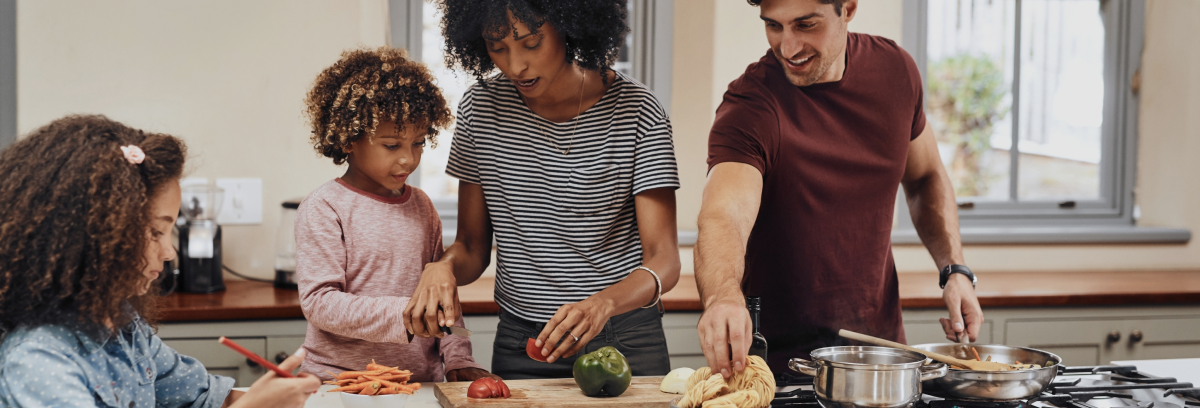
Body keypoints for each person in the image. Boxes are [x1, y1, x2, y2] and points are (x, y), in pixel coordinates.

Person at [694, 0, 984, 377]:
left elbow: (925, 176)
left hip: (882, 358)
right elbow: (724, 215)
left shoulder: (896, 71)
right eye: (774, 26)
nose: (788, 47)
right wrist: (722, 297)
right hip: (781, 368)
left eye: (806, 25)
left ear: (847, 8)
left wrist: (954, 269)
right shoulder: (750, 106)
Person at [402, 0, 682, 379]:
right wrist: (443, 267)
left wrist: (601, 305)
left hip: (623, 338)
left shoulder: (638, 110)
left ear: (570, 27)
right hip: (523, 343)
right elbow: (471, 246)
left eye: (531, 43)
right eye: (496, 47)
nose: (515, 65)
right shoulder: (480, 109)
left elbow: (664, 260)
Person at [0, 115, 321, 407]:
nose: (169, 252)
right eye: (155, 232)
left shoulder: (124, 324)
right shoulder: (37, 359)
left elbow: (203, 397)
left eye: (170, 232)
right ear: (89, 236)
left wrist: (275, 396)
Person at [296, 47, 495, 383]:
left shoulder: (422, 207)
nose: (408, 159)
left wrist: (458, 357)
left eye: (418, 143)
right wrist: (404, 315)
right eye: (392, 145)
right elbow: (319, 303)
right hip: (339, 382)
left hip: (416, 382)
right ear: (349, 139)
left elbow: (442, 298)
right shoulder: (324, 207)